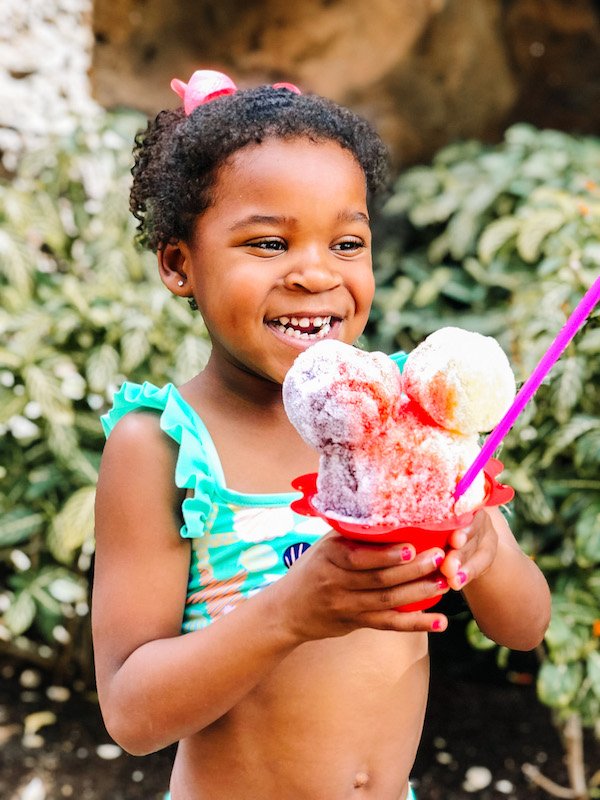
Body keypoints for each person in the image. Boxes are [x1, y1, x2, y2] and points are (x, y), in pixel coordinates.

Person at [92, 70, 551, 800]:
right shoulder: (163, 447)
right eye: (269, 244)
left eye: (347, 242)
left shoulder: (408, 414)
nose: (315, 274)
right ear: (179, 263)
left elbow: (526, 626)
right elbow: (132, 714)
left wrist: (483, 548)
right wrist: (291, 612)